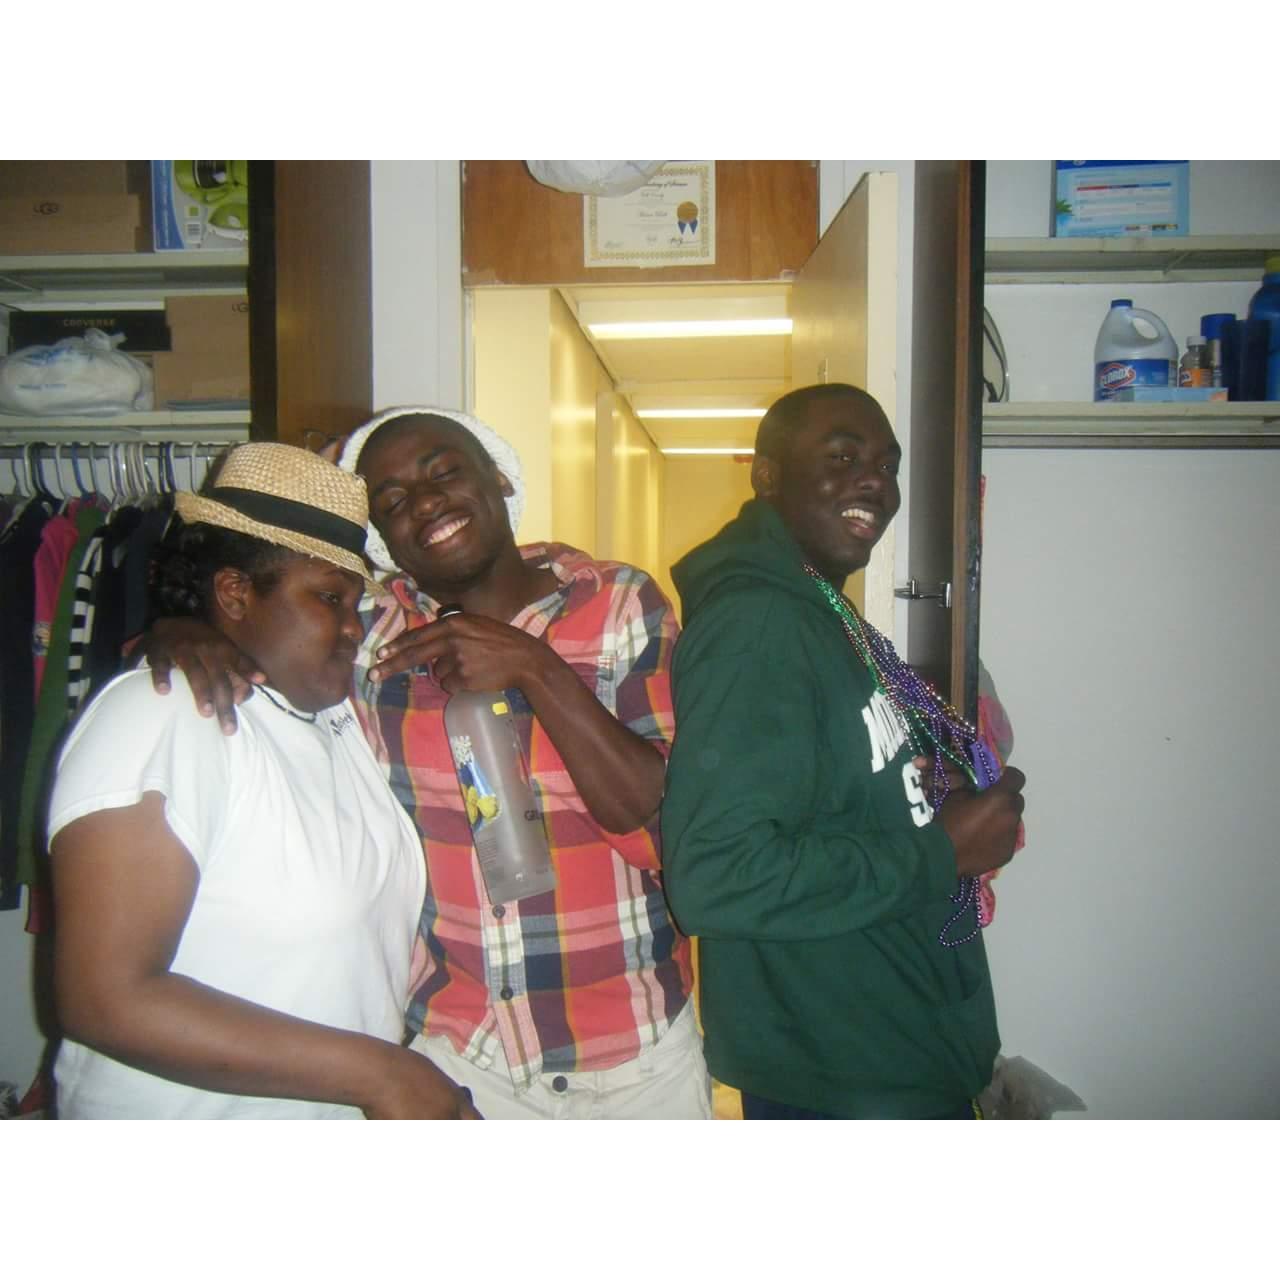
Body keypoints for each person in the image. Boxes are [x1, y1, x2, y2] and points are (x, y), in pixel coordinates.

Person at [146, 407, 710, 1120]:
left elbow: (662, 822)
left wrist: (536, 669)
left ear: (498, 479)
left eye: (444, 471)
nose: (425, 501)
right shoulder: (369, 633)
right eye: (392, 500)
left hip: (636, 1054)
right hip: (455, 1058)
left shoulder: (620, 603)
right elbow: (256, 624)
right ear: (383, 535)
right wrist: (181, 624)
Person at [49, 443, 479, 1119]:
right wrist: (383, 1076)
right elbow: (106, 997)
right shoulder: (164, 714)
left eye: (356, 605)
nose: (351, 627)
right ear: (233, 593)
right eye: (329, 599)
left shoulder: (334, 716)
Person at [660, 383, 1027, 1120]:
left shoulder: (821, 607)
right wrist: (940, 853)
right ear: (767, 474)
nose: (876, 482)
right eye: (843, 457)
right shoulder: (758, 622)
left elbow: (825, 790)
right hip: (842, 1070)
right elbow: (715, 877)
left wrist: (922, 788)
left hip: (882, 1043)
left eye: (887, 465)